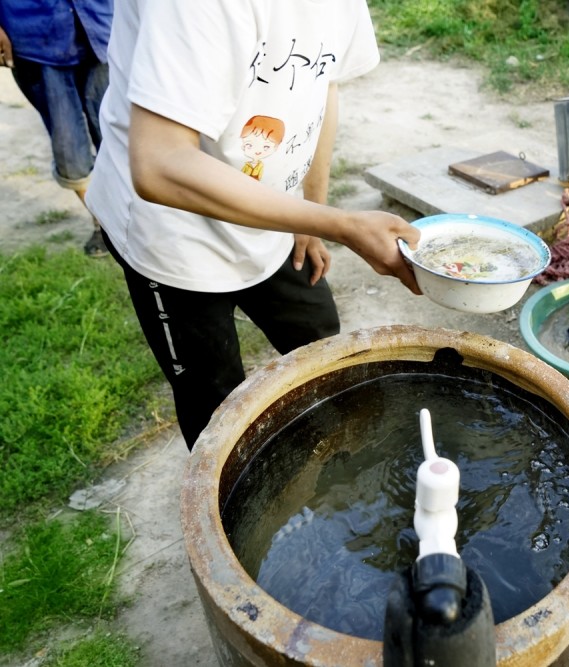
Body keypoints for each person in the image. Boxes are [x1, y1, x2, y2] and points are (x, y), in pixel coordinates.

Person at [85, 0, 422, 449]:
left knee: (318, 337)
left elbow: (323, 86)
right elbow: (160, 164)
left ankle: (335, 462)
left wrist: (313, 216)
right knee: (217, 409)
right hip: (173, 233)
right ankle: (235, 512)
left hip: (271, 209)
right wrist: (341, 224)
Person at [0, 0, 112, 257]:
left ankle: (133, 220)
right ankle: (103, 222)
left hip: (102, 26)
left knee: (120, 139)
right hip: (34, 36)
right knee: (69, 151)